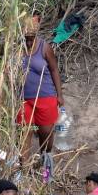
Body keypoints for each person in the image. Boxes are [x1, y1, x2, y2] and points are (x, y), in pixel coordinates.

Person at [18, 15, 64, 163]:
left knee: (46, 133)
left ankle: (45, 162)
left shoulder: (44, 48)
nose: (29, 41)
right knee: (25, 132)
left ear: (36, 35)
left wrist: (59, 95)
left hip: (45, 96)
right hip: (24, 98)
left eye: (31, 38)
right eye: (26, 38)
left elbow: (54, 70)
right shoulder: (17, 49)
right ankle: (22, 167)